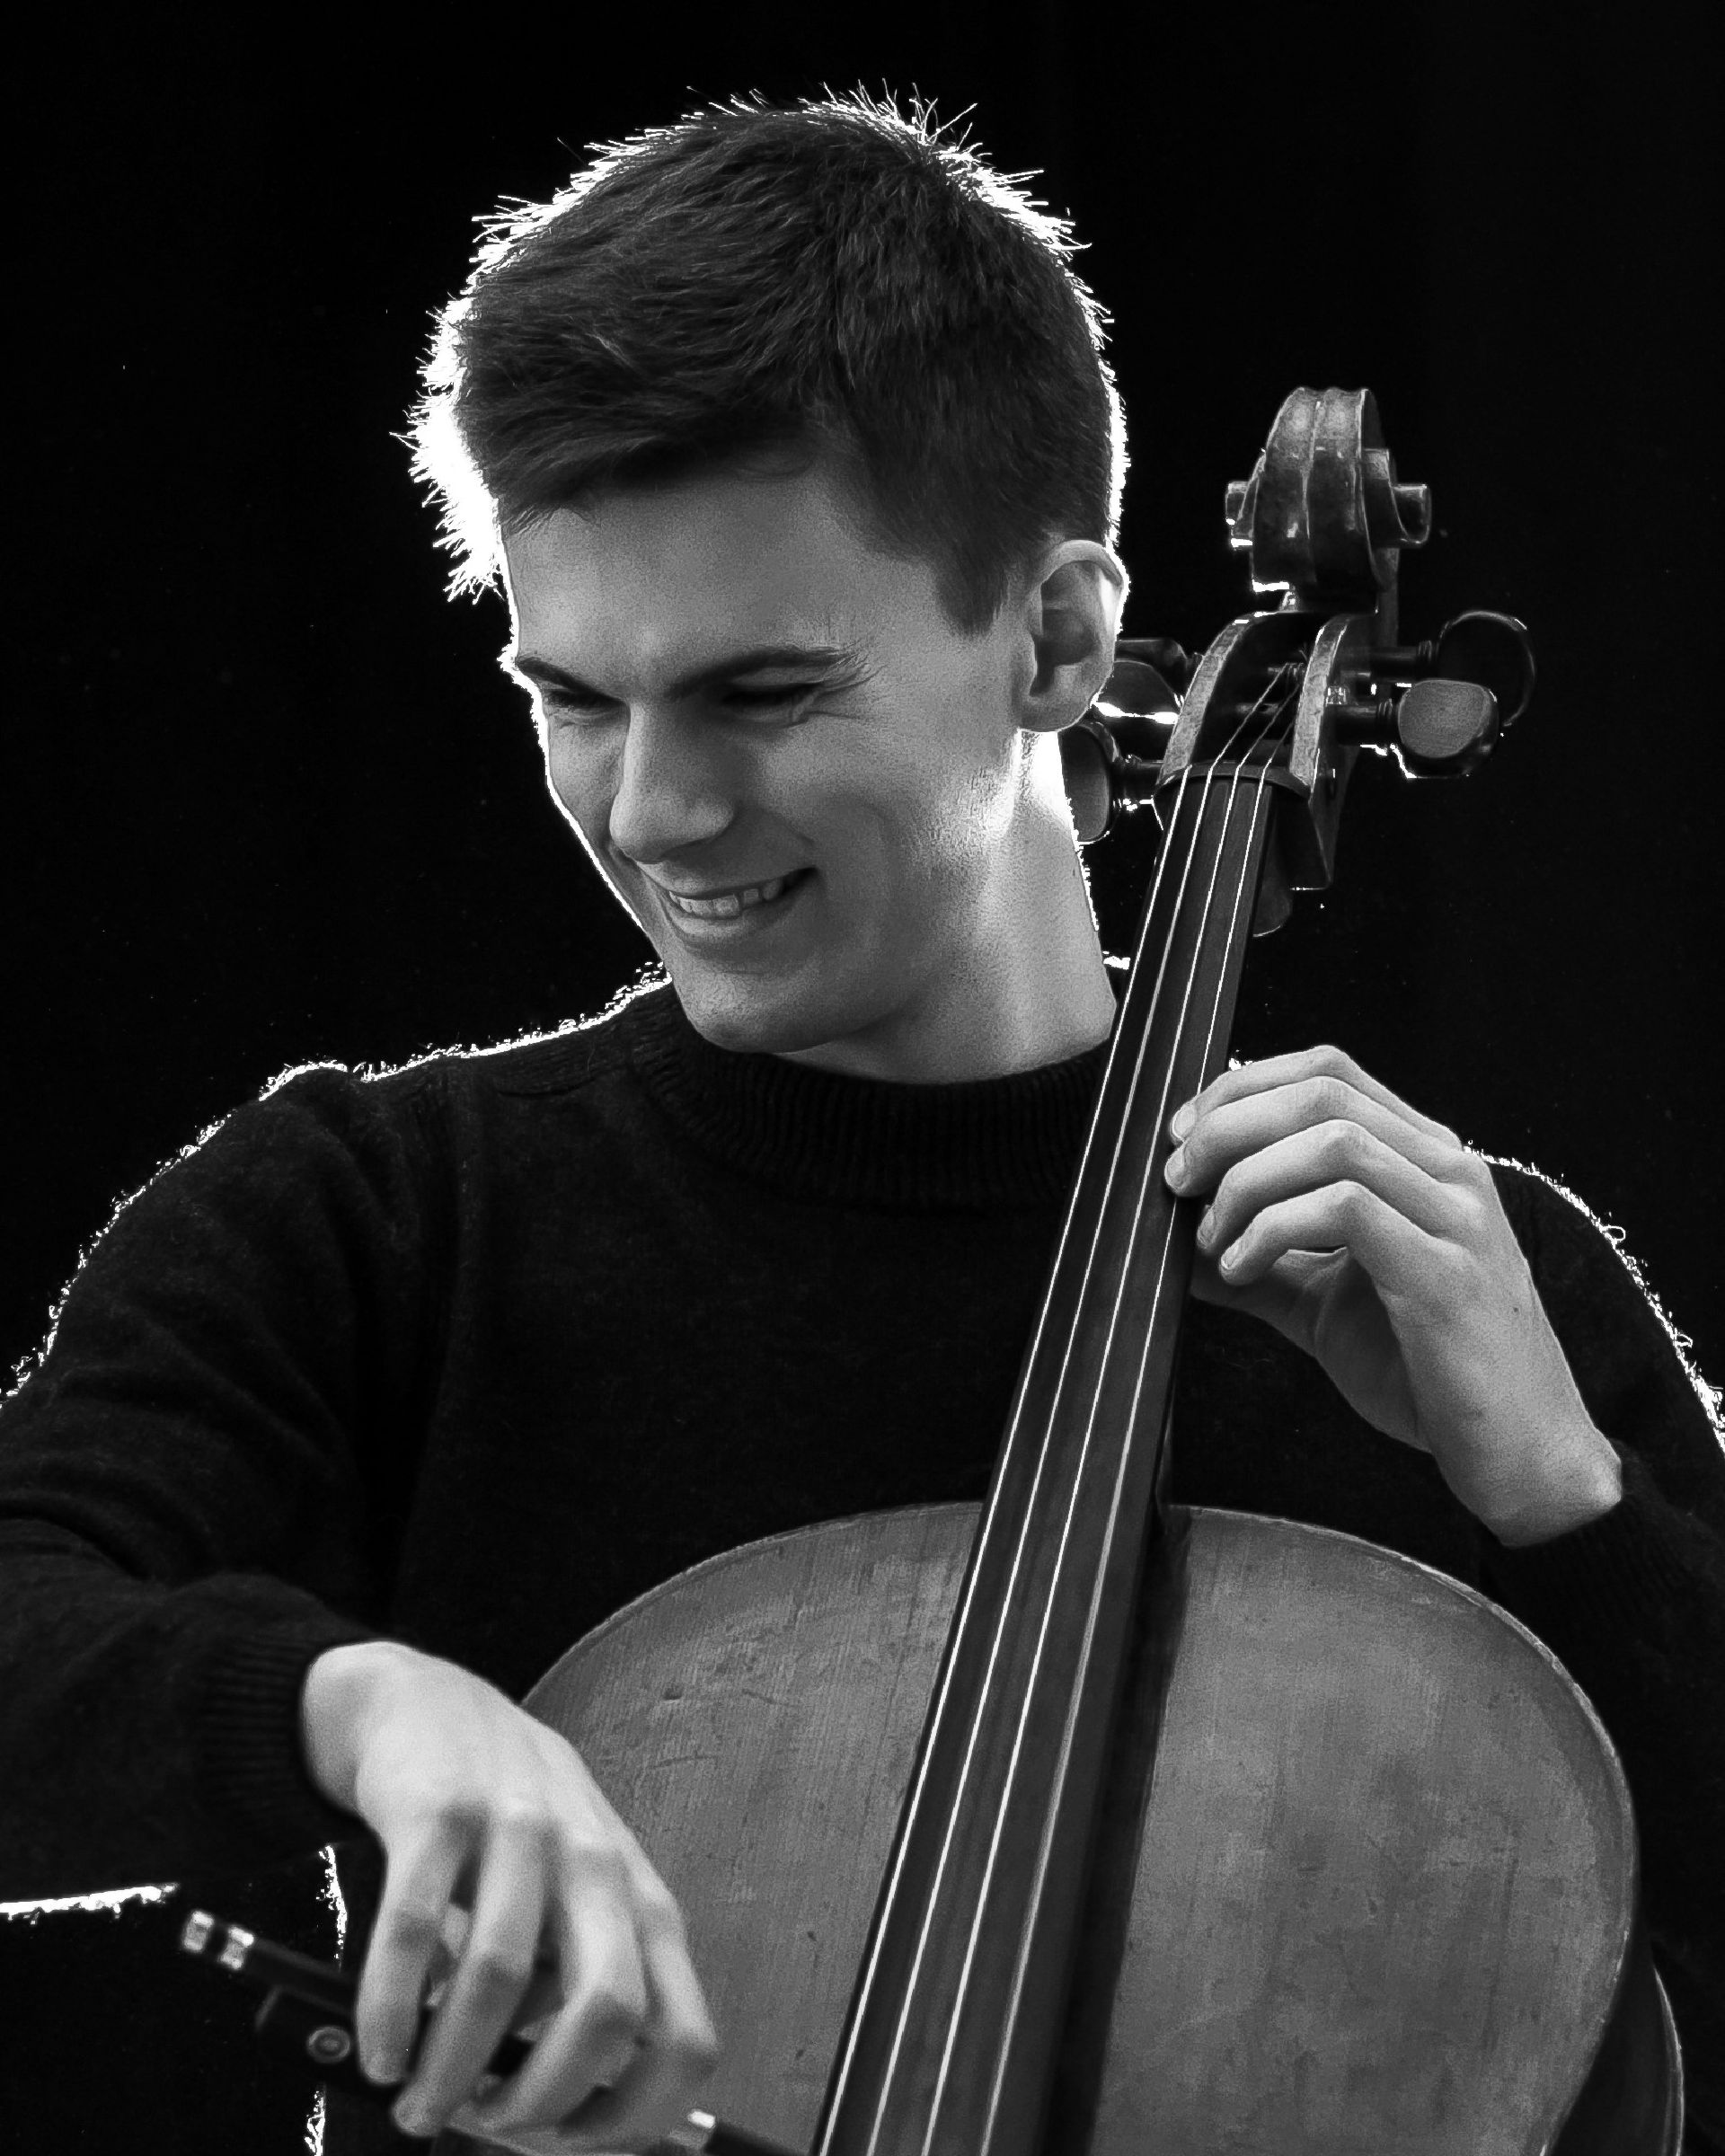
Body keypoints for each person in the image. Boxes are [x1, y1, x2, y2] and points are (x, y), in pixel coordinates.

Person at [2, 91, 1721, 2155]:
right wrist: (351, 1704)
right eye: (574, 698)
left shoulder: (1452, 1286)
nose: (653, 812)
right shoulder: (376, 1224)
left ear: (1058, 639)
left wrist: (1573, 1514)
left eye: (761, 694)